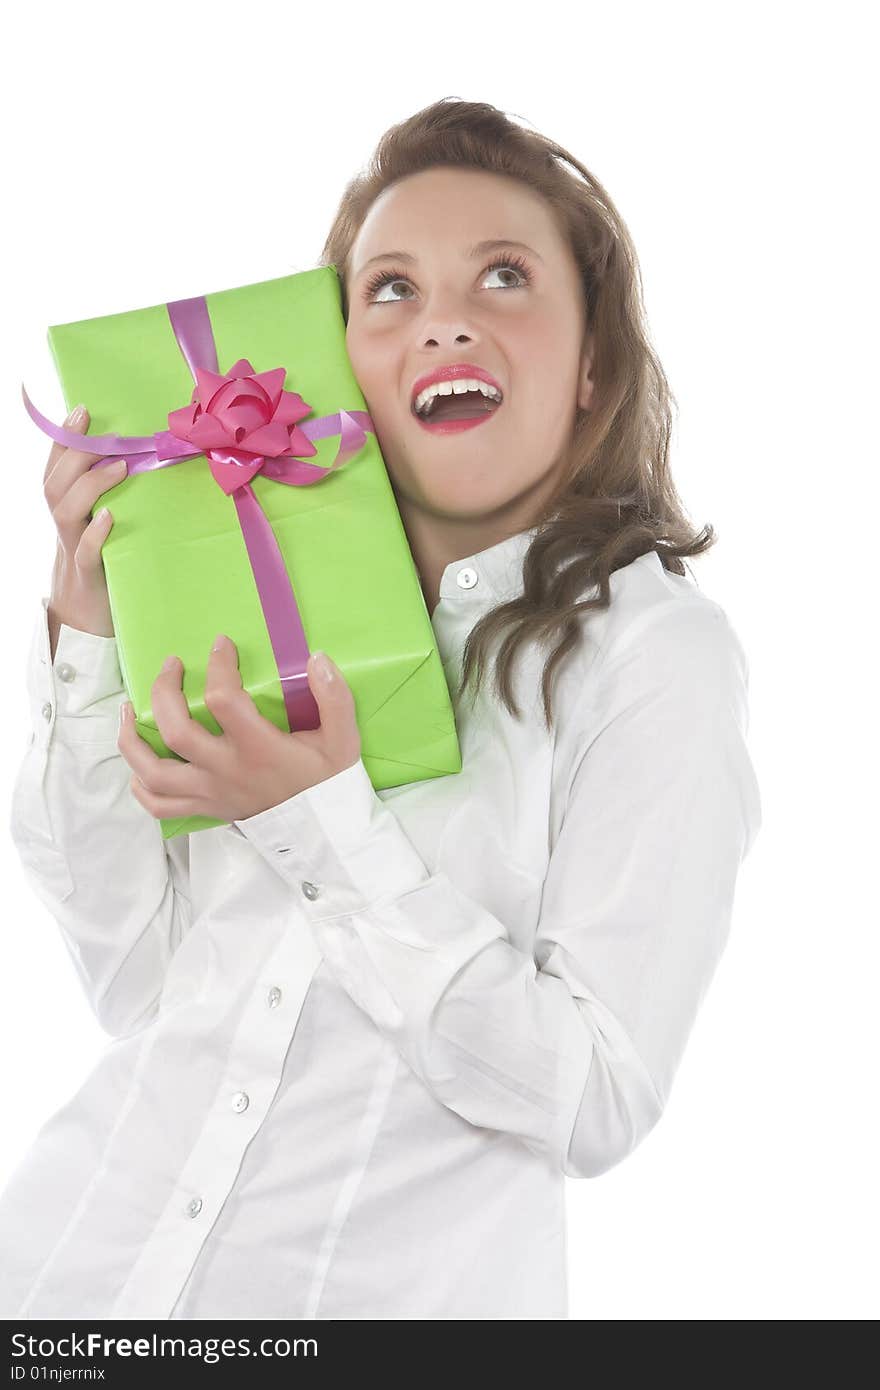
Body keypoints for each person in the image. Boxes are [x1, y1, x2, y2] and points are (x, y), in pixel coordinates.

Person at [0, 98, 762, 1321]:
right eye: (389, 289)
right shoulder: (270, 609)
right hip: (59, 1273)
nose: (443, 316)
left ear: (592, 369)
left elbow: (593, 1097)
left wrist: (323, 820)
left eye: (503, 276)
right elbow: (141, 983)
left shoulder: (655, 655)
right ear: (335, 359)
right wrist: (87, 640)